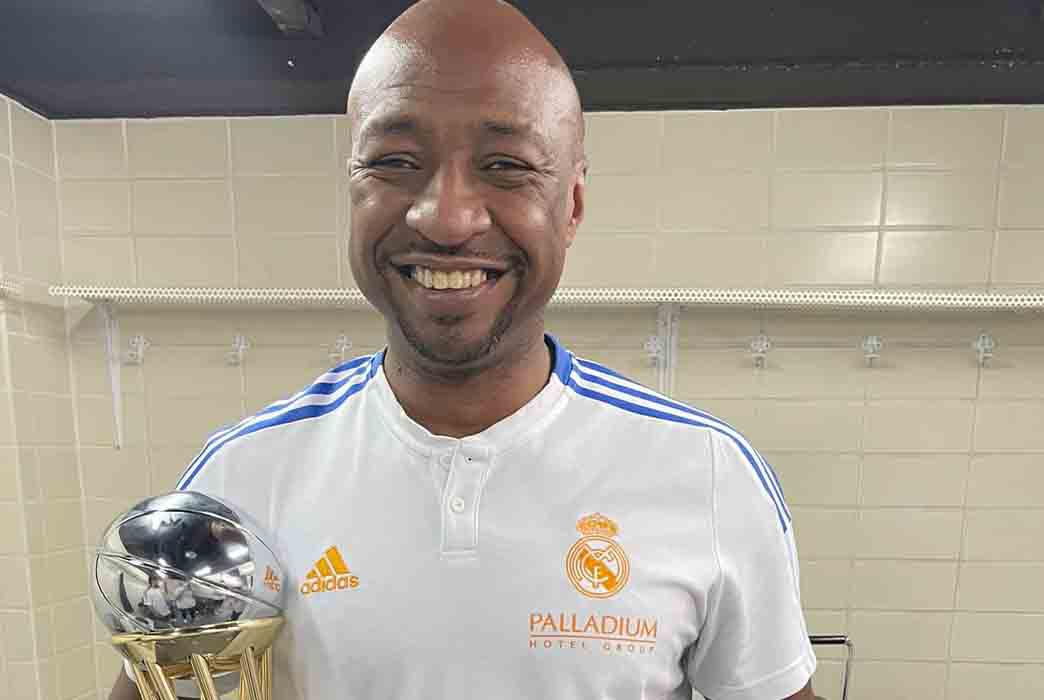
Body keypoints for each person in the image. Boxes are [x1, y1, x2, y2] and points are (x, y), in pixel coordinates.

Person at [111, 1, 816, 698]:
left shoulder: (705, 472)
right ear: (353, 190)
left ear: (571, 206)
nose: (446, 218)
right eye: (394, 161)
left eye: (505, 165)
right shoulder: (239, 481)